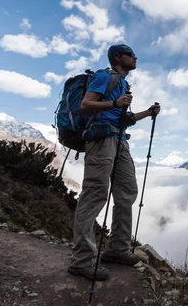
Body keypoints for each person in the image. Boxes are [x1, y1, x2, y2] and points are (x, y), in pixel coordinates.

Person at [67, 43, 160, 281]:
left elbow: (125, 118)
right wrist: (114, 104)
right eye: (131, 54)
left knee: (127, 191)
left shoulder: (123, 84)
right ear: (118, 58)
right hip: (101, 140)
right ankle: (81, 261)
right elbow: (85, 106)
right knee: (95, 194)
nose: (135, 57)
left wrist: (148, 113)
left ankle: (117, 249)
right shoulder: (104, 77)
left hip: (119, 140)